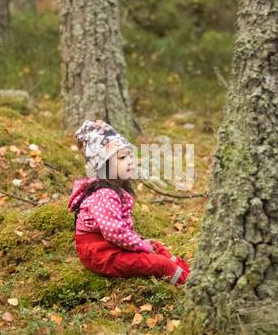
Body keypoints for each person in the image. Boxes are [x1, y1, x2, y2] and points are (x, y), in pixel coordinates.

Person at [68, 120, 191, 285]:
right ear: (104, 164)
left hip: (110, 248)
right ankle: (188, 285)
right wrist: (141, 246)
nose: (130, 161)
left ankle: (190, 273)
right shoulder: (104, 194)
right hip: (102, 256)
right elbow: (115, 233)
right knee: (160, 264)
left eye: (130, 155)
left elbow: (118, 231)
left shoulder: (113, 191)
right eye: (122, 158)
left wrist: (142, 244)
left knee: (156, 246)